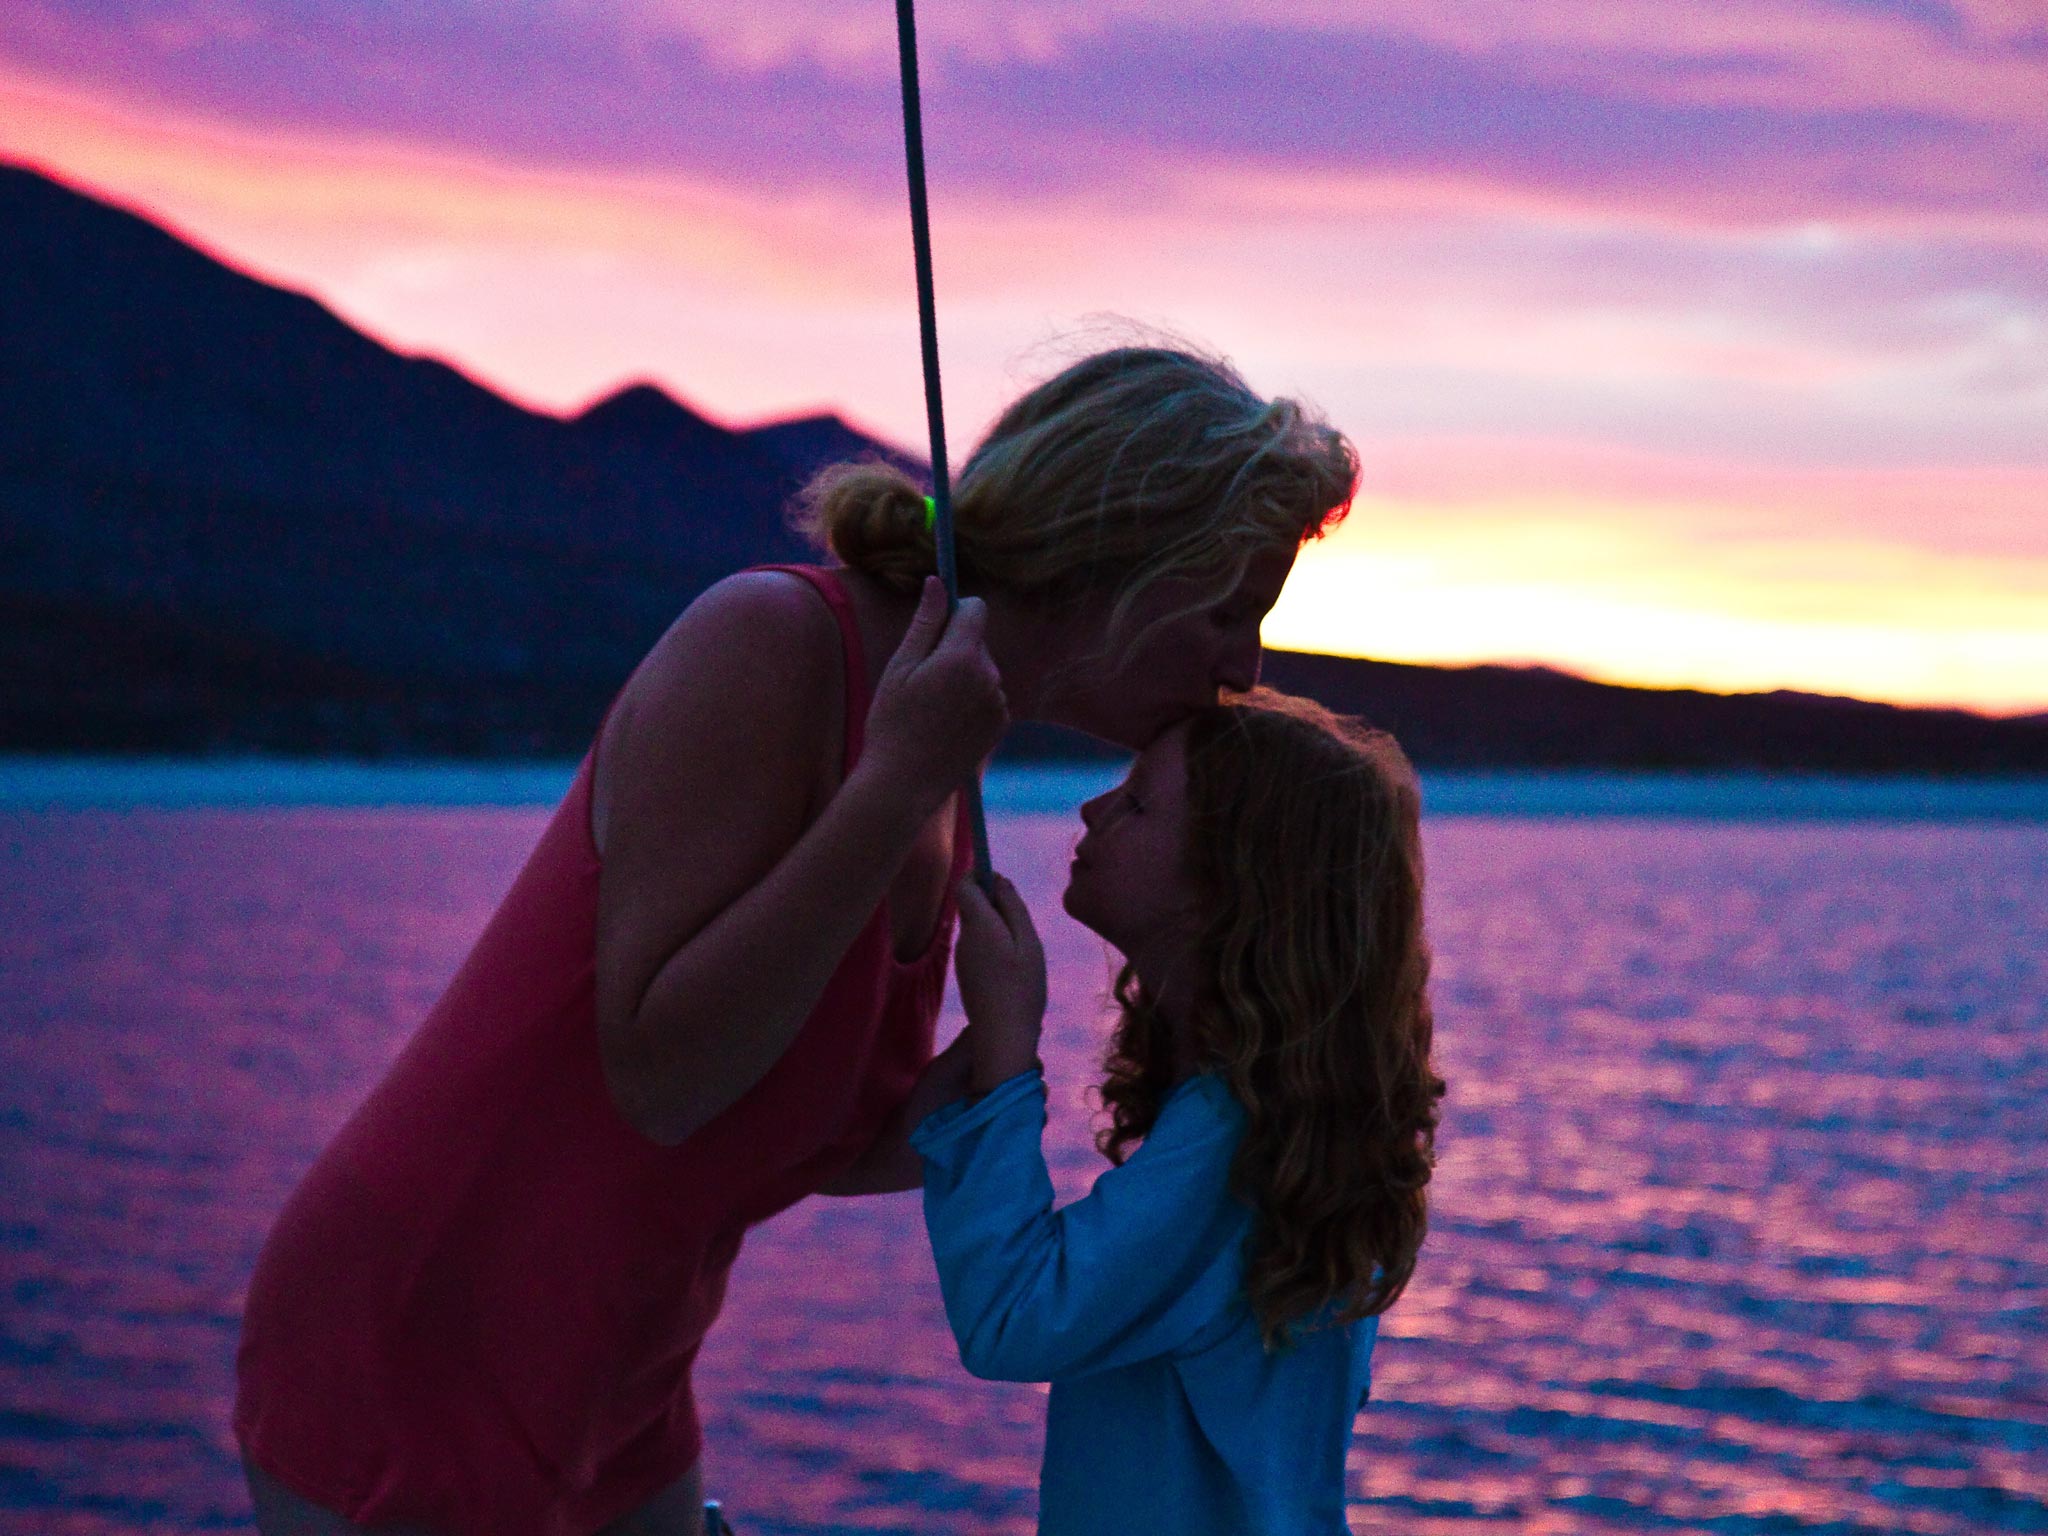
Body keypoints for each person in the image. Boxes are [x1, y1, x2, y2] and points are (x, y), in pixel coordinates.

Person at [233, 344, 1360, 1536]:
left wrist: (1048, 1078)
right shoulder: (777, 647)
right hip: (420, 1341)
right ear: (1129, 560)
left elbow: (803, 1134)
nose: (1243, 669)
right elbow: (662, 1081)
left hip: (619, 1386)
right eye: (1230, 613)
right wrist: (893, 783)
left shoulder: (945, 746)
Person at [912, 689, 1446, 1535]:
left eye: (1138, 803)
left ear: (1227, 881)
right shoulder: (1263, 1117)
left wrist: (1008, 1044)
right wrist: (970, 1088)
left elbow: (1015, 1317)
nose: (1093, 807)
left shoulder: (1239, 1140)